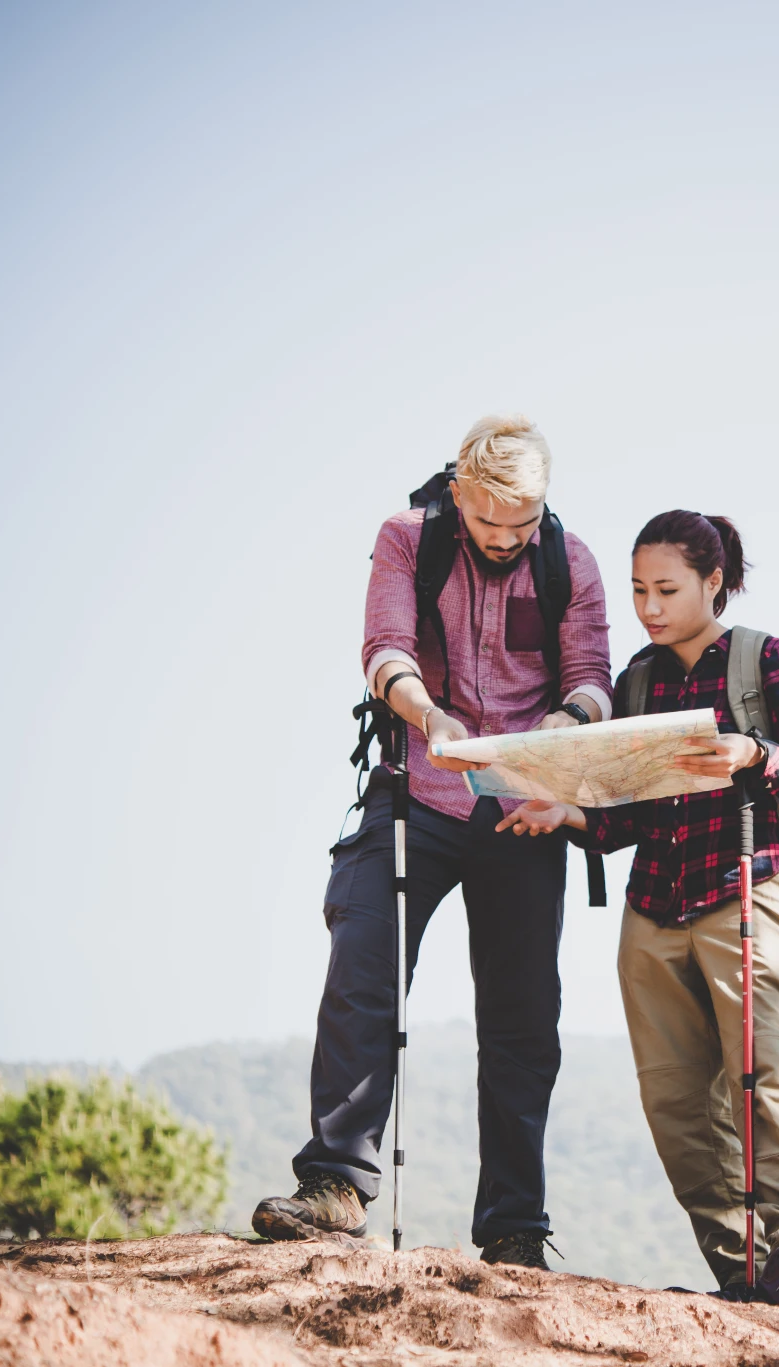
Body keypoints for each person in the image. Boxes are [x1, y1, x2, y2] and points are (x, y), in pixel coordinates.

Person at [497, 510, 779, 1330]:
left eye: (666, 589)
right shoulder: (636, 681)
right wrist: (565, 811)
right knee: (674, 1105)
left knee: (765, 1082)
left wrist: (756, 755)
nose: (650, 607)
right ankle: (742, 1275)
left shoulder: (767, 659)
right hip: (654, 909)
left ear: (714, 582)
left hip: (750, 888)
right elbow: (625, 816)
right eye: (637, 590)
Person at [252, 414, 612, 1269]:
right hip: (415, 790)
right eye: (488, 521)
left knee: (525, 1019)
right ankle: (336, 1186)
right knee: (363, 966)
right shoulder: (407, 538)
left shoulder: (575, 562)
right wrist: (429, 714)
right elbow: (384, 651)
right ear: (459, 492)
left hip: (522, 808)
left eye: (521, 525)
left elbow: (592, 681)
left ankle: (516, 1225)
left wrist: (556, 734)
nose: (503, 538)